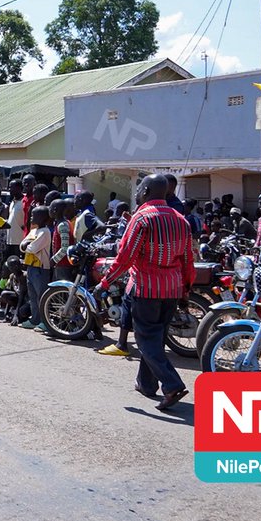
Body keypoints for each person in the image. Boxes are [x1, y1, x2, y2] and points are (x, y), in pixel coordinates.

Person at [97, 174, 194, 411]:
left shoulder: (142, 218)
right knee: (156, 339)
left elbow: (125, 256)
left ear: (147, 190)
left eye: (140, 188)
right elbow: (188, 259)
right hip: (171, 288)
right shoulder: (181, 219)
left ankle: (172, 385)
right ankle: (146, 384)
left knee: (144, 339)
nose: (138, 192)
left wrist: (105, 281)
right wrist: (186, 288)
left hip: (146, 287)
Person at [19, 206, 52, 331]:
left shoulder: (45, 232)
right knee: (32, 295)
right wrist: (26, 245)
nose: (31, 218)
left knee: (41, 296)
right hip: (31, 267)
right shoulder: (33, 231)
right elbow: (22, 245)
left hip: (41, 268)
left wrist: (26, 245)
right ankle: (35, 319)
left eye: (34, 215)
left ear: (43, 218)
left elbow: (33, 248)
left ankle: (45, 322)